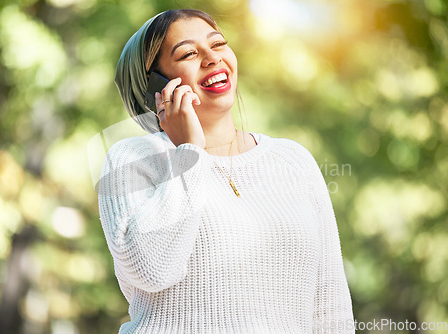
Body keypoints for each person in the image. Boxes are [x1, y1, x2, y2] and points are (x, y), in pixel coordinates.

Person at [98, 9, 355, 334]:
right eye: (189, 53)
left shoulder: (294, 160)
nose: (211, 58)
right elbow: (151, 269)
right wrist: (189, 151)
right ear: (155, 86)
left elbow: (330, 308)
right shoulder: (131, 159)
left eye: (218, 44)